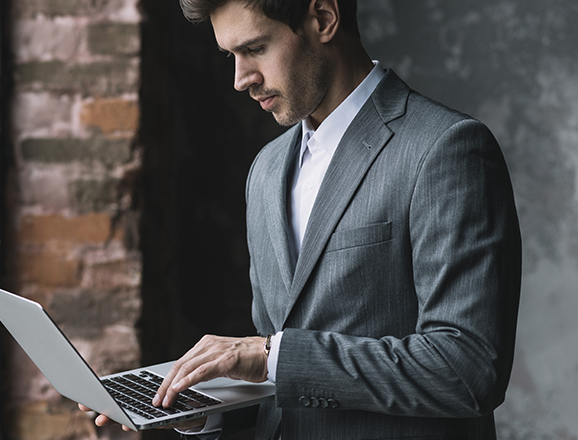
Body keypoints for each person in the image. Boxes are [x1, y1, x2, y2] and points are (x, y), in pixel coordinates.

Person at [81, 0, 522, 438]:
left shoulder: (445, 149)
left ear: (323, 19)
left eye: (254, 48)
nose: (240, 79)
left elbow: (467, 370)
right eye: (230, 55)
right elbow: (283, 385)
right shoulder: (266, 170)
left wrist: (273, 356)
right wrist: (193, 405)